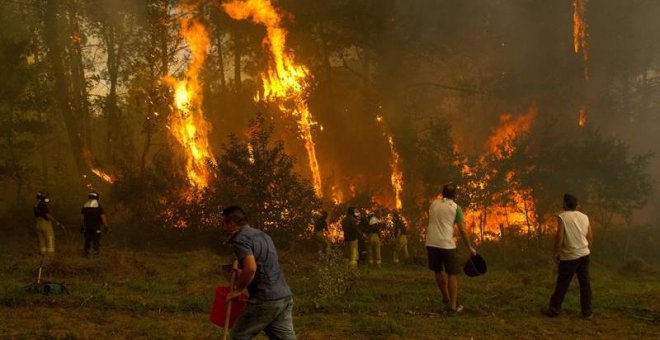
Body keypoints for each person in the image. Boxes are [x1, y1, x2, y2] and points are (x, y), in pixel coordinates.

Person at [222, 205, 296, 340]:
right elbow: (263, 265)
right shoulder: (263, 235)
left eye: (224, 224)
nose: (223, 228)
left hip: (265, 299)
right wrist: (241, 272)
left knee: (238, 336)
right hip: (284, 296)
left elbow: (251, 268)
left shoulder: (240, 240)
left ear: (231, 223)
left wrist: (238, 290)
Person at [426, 184, 477, 315]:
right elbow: (462, 230)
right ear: (455, 195)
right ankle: (453, 306)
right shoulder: (456, 208)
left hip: (431, 242)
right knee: (452, 273)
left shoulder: (433, 204)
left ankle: (445, 297)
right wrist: (470, 247)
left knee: (437, 270)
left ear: (442, 193)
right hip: (447, 244)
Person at [545, 194, 593, 319]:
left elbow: (560, 236)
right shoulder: (585, 217)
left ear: (565, 204)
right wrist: (586, 249)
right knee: (585, 284)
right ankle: (587, 313)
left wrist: (556, 252)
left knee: (562, 283)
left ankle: (554, 310)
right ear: (577, 205)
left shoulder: (562, 217)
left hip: (570, 256)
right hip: (584, 254)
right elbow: (590, 236)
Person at [33, 191, 62, 256]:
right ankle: (50, 255)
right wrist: (56, 221)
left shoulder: (36, 204)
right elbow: (47, 215)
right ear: (43, 197)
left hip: (38, 223)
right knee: (50, 238)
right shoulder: (43, 204)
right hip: (45, 224)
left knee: (41, 240)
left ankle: (43, 254)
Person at [81, 191, 108, 257]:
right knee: (96, 240)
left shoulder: (85, 205)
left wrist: (82, 226)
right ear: (97, 197)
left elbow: (82, 217)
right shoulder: (99, 206)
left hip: (87, 227)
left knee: (87, 240)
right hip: (96, 227)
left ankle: (86, 253)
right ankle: (96, 254)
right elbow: (102, 217)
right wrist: (106, 225)